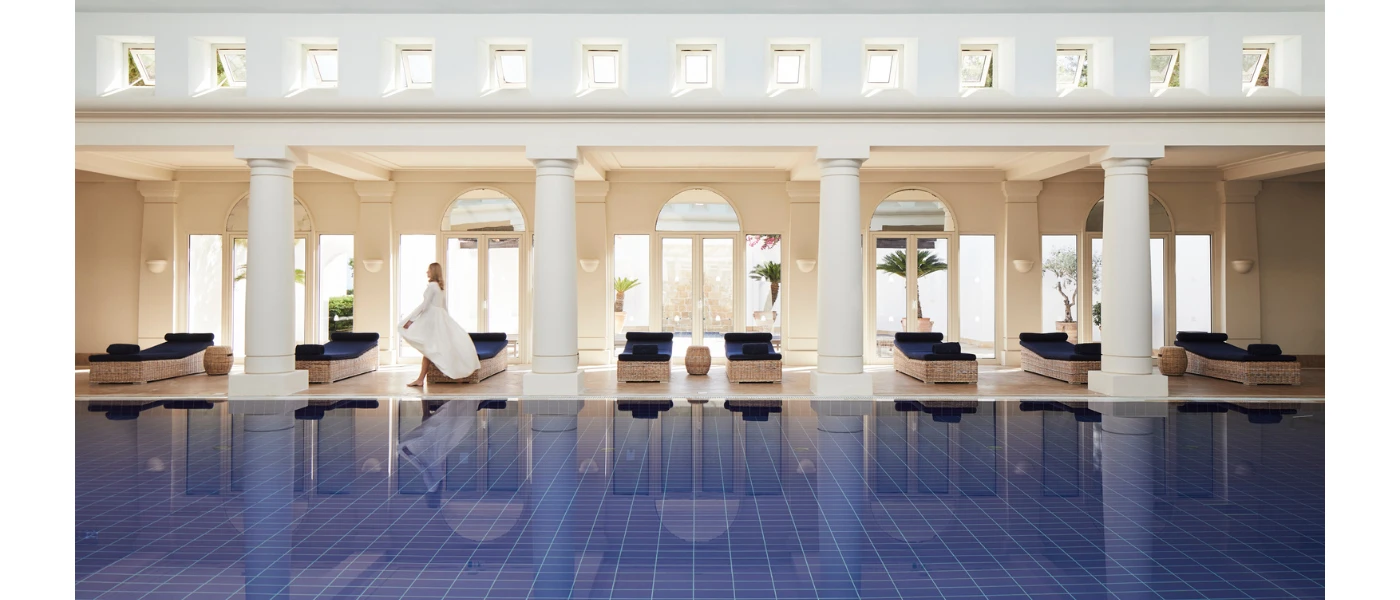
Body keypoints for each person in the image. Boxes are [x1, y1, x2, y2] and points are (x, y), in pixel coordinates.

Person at [400, 263, 480, 387]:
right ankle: (423, 379)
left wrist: (411, 320)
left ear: (433, 272)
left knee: (428, 348)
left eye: (429, 270)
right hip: (439, 319)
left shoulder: (432, 286)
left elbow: (424, 305)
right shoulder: (439, 287)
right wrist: (447, 321)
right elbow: (444, 306)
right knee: (431, 348)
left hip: (432, 321)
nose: (427, 272)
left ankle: (422, 379)